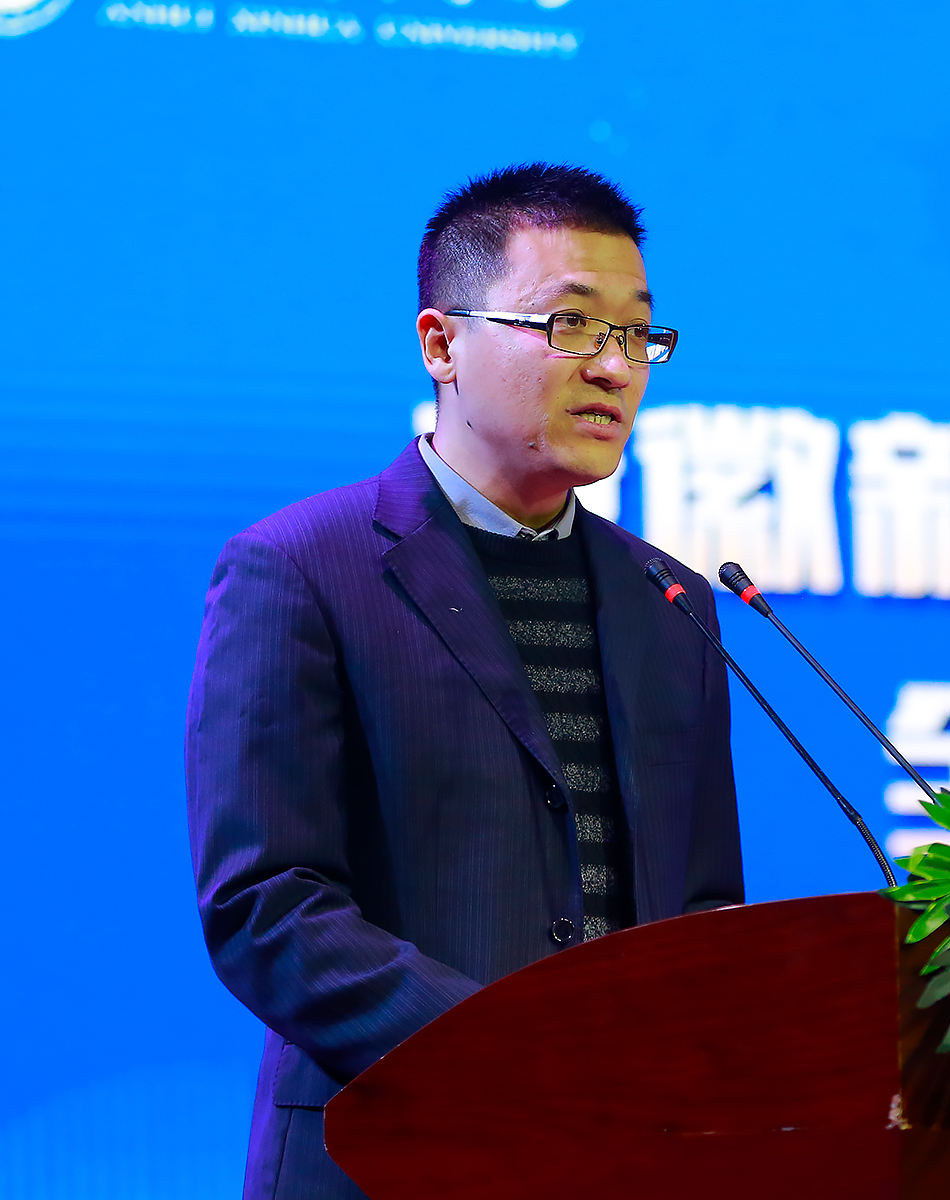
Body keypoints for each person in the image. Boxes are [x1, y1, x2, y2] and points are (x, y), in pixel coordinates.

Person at [186, 163, 742, 1200]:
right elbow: (267, 903)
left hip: (626, 1160)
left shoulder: (672, 601)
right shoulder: (301, 567)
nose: (614, 368)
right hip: (391, 1147)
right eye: (572, 326)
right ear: (440, 344)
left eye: (636, 335)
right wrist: (512, 1055)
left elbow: (703, 906)